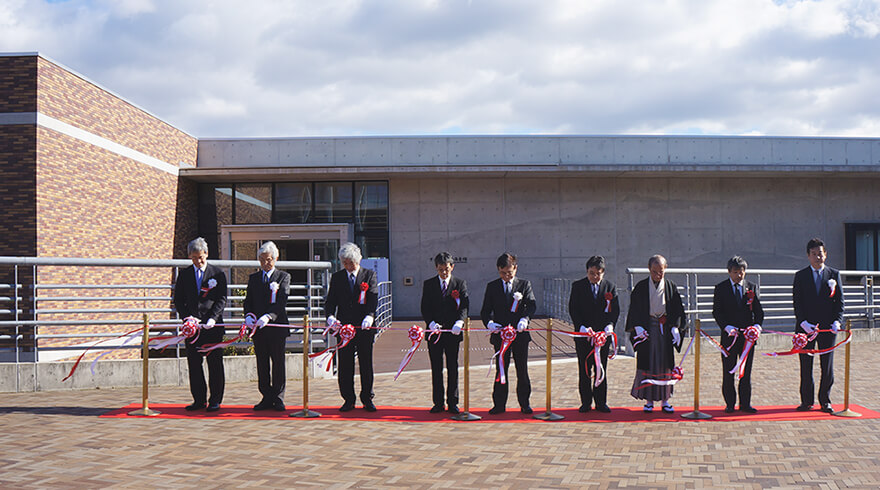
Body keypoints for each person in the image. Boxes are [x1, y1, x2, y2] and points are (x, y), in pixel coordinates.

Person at [625, 254, 687, 413]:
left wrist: (675, 327)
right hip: (647, 329)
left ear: (665, 269)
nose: (658, 275)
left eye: (661, 271)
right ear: (649, 269)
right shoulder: (640, 287)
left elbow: (678, 309)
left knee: (665, 365)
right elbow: (634, 310)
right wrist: (637, 326)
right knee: (649, 364)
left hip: (664, 330)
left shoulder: (671, 286)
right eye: (654, 271)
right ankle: (649, 401)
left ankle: (665, 400)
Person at [174, 237, 227, 412]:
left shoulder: (217, 273)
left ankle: (215, 400)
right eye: (195, 257)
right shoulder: (185, 274)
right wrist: (187, 318)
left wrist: (213, 318)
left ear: (207, 254)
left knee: (214, 364)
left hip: (212, 327)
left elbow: (221, 299)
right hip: (193, 327)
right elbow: (179, 300)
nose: (199, 260)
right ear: (190, 257)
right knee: (194, 364)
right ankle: (199, 399)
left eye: (202, 256)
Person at [324, 242, 379, 412]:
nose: (348, 266)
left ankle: (367, 398)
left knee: (365, 363)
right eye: (345, 263)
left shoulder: (369, 275)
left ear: (359, 260)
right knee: (345, 364)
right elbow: (330, 301)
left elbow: (373, 298)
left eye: (351, 263)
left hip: (364, 327)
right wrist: (330, 317)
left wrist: (370, 316)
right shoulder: (338, 277)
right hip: (344, 328)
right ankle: (348, 398)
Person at [792, 237, 844, 413]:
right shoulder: (800, 276)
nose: (817, 257)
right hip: (806, 328)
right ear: (808, 256)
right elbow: (797, 302)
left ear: (825, 254)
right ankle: (806, 401)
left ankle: (825, 401)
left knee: (827, 365)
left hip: (827, 328)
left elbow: (840, 302)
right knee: (806, 365)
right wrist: (803, 322)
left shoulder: (834, 275)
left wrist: (837, 320)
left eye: (820, 253)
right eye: (814, 254)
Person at [481, 252, 536, 415]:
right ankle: (499, 404)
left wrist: (525, 319)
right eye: (502, 273)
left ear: (515, 269)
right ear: (498, 270)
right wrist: (490, 323)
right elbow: (485, 310)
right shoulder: (492, 286)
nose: (506, 276)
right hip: (500, 335)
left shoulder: (524, 285)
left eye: (509, 272)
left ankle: (525, 404)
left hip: (519, 335)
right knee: (501, 369)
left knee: (522, 370)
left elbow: (531, 306)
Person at [712, 256, 764, 413]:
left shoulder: (751, 287)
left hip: (747, 338)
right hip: (729, 338)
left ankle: (745, 403)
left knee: (745, 372)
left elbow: (759, 312)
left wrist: (756, 327)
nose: (739, 276)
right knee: (729, 371)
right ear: (729, 272)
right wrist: (726, 326)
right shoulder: (721, 288)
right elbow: (717, 311)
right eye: (736, 272)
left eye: (742, 272)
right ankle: (729, 403)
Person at [568, 255, 619, 413]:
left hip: (602, 337)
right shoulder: (578, 286)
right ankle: (585, 402)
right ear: (587, 271)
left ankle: (601, 402)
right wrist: (581, 327)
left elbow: (615, 310)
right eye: (591, 273)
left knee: (601, 368)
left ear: (603, 272)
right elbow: (573, 309)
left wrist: (610, 325)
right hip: (584, 335)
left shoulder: (610, 287)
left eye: (598, 273)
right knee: (584, 369)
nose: (595, 277)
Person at [244, 241, 291, 411]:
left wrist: (268, 317)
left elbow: (281, 302)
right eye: (262, 260)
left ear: (275, 259)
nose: (265, 263)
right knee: (262, 362)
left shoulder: (283, 277)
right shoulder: (253, 279)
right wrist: (248, 316)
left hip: (276, 327)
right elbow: (248, 301)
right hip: (258, 328)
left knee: (278, 363)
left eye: (269, 260)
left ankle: (278, 397)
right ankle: (266, 395)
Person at [420, 252, 469, 414]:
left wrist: (459, 322)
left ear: (452, 267)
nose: (444, 273)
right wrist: (431, 323)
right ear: (436, 268)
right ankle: (438, 402)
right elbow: (425, 307)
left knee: (452, 367)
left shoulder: (459, 284)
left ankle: (453, 402)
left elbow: (464, 306)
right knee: (436, 368)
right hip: (435, 333)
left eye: (447, 269)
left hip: (452, 333)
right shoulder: (429, 284)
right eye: (441, 269)